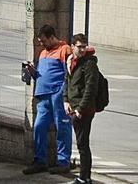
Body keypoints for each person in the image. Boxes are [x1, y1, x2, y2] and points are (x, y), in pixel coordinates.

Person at [23, 25, 73, 175]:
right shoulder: (43, 53)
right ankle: (40, 160)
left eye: (44, 41)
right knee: (39, 127)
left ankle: (63, 162)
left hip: (57, 95)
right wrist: (32, 72)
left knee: (62, 128)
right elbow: (41, 74)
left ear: (52, 37)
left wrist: (66, 95)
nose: (42, 44)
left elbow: (69, 73)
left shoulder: (64, 50)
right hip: (44, 97)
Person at [64, 34, 101, 184]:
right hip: (73, 107)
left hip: (85, 110)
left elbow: (91, 89)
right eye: (79, 47)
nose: (82, 49)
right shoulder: (71, 61)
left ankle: (85, 178)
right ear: (72, 47)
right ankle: (84, 177)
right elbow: (68, 82)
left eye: (84, 46)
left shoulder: (89, 64)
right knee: (81, 143)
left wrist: (80, 109)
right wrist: (66, 100)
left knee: (83, 143)